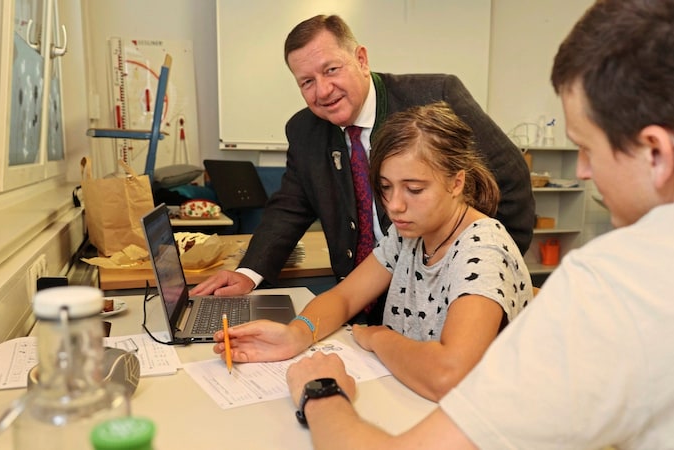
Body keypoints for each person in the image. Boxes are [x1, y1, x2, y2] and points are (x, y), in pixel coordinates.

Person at [282, 0, 674, 448]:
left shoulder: (611, 284)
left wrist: (321, 392)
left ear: (656, 152)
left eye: (587, 148)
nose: (585, 172)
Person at [191, 14, 534, 324]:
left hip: (442, 294)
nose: (322, 91)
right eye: (306, 82)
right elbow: (290, 207)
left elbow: (510, 180)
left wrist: (484, 264)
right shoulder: (304, 130)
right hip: (362, 295)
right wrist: (250, 272)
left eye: (331, 70)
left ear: (361, 60)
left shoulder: (434, 96)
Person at [212, 102, 533, 402]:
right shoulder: (409, 234)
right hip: (411, 398)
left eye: (414, 189)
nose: (394, 205)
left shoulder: (483, 252)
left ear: (456, 182)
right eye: (386, 187)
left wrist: (378, 337)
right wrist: (295, 334)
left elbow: (448, 375)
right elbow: (345, 297)